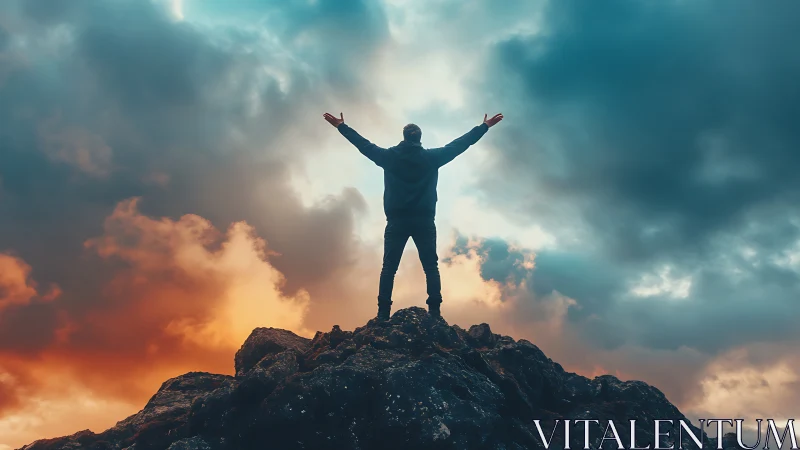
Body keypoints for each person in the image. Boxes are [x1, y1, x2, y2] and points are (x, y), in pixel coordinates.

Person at [323, 112, 504, 320]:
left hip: (396, 221)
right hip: (424, 220)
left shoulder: (389, 157)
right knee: (430, 266)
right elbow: (460, 145)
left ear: (404, 137)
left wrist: (342, 127)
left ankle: (383, 313)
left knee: (389, 268)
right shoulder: (431, 158)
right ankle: (434, 312)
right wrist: (483, 127)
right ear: (419, 138)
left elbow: (363, 145)